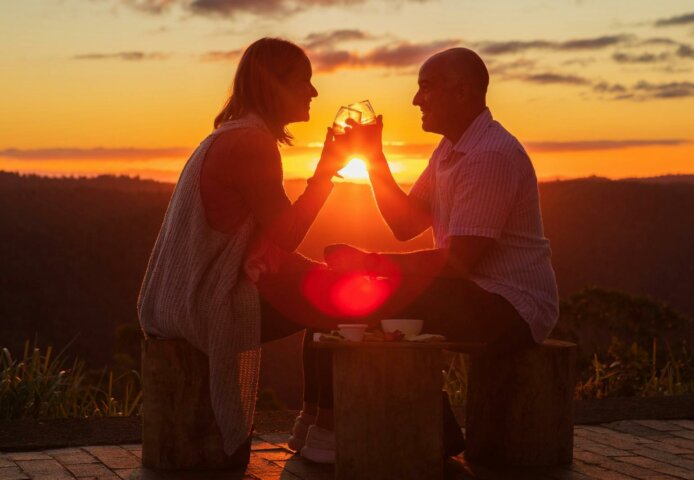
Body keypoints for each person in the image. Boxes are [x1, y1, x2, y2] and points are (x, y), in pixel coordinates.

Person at [320, 47, 560, 458]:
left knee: (361, 295)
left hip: (510, 305)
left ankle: (345, 430)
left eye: (425, 88)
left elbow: (458, 262)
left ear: (463, 93)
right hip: (471, 291)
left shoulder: (490, 156)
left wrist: (367, 262)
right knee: (337, 292)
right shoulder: (451, 150)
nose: (415, 100)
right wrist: (373, 157)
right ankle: (329, 422)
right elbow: (406, 224)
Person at [137, 37, 354, 460]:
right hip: (205, 301)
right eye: (303, 81)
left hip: (184, 294)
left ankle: (311, 424)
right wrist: (325, 175)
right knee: (344, 302)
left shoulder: (231, 135)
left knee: (327, 286)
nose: (313, 92)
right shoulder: (251, 142)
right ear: (272, 86)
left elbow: (266, 247)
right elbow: (285, 235)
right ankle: (325, 435)